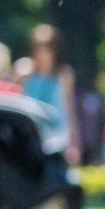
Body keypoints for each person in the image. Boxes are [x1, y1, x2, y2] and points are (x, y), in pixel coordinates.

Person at [17, 24, 76, 152]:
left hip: (57, 138)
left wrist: (74, 143)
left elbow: (70, 110)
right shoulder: (23, 72)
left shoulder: (64, 74)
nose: (41, 51)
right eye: (37, 46)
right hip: (29, 135)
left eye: (47, 46)